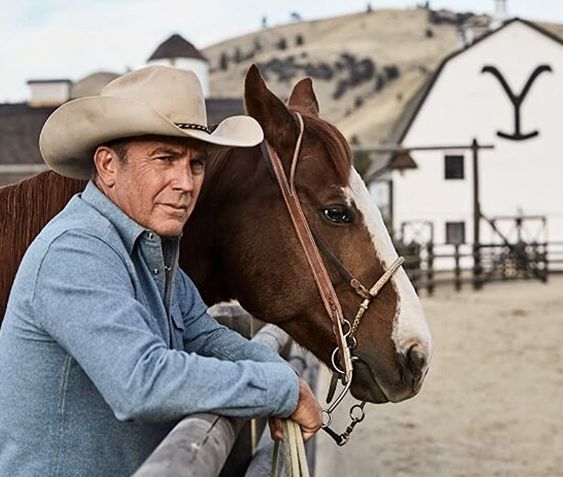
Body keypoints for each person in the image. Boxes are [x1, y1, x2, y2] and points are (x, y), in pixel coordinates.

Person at [0, 65, 322, 476]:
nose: (185, 183)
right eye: (165, 159)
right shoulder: (76, 251)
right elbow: (140, 382)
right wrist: (279, 391)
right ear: (108, 165)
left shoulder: (149, 251)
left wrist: (283, 377)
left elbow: (206, 336)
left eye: (196, 164)